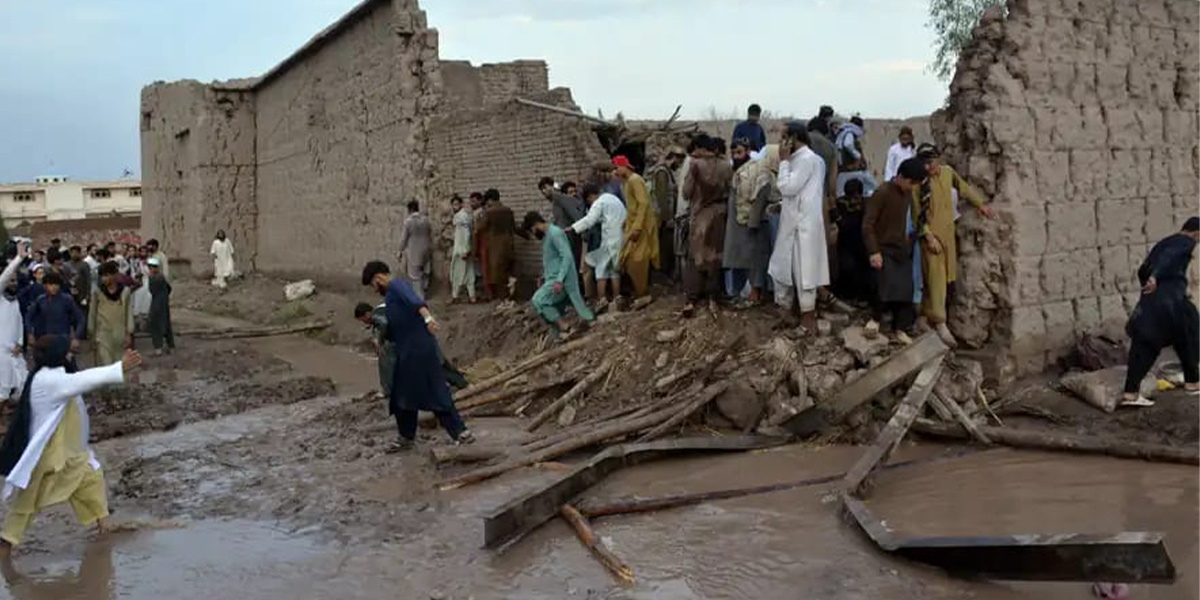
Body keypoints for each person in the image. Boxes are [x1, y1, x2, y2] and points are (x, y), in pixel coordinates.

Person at [0, 336, 141, 555]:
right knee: (26, 504)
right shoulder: (50, 381)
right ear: (57, 355)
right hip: (46, 456)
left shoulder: (50, 375)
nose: (71, 353)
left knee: (91, 478)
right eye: (67, 351)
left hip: (67, 451)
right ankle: (5, 545)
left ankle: (104, 526)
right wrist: (119, 368)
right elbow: (84, 380)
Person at [361, 261, 474, 450]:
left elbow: (415, 301)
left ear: (378, 278)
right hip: (408, 352)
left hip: (419, 351)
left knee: (435, 391)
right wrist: (382, 339)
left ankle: (461, 432)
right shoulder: (390, 296)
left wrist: (428, 317)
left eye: (373, 284)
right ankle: (406, 437)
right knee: (401, 396)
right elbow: (397, 323)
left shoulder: (397, 286)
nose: (374, 289)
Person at [912, 144, 994, 347]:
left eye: (931, 161)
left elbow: (963, 188)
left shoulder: (948, 173)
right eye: (925, 163)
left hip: (948, 236)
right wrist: (929, 237)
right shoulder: (918, 184)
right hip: (931, 240)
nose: (929, 166)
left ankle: (923, 318)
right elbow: (917, 215)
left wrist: (980, 204)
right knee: (935, 279)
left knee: (941, 279)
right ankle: (940, 322)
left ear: (938, 159)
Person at [1120, 218, 1200, 407]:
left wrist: (1149, 281)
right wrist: (1156, 276)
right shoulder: (1185, 242)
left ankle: (1131, 394)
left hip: (1154, 304)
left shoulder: (1164, 242)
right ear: (1196, 232)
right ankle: (1192, 383)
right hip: (1170, 303)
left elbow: (1142, 270)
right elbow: (1170, 257)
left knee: (1149, 344)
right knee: (1188, 333)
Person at [768, 122, 830, 331]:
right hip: (793, 224)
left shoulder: (806, 160)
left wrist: (784, 162)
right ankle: (785, 313)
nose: (780, 142)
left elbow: (788, 187)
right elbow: (800, 193)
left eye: (784, 137)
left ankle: (807, 322)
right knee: (780, 269)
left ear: (793, 138)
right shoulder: (804, 160)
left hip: (802, 227)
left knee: (805, 274)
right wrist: (780, 207)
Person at [864, 158, 927, 341]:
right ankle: (875, 320)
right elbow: (867, 225)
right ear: (900, 177)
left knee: (905, 292)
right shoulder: (882, 192)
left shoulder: (907, 194)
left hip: (900, 248)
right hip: (883, 248)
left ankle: (900, 329)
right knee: (883, 288)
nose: (913, 187)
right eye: (911, 182)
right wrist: (873, 251)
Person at [681, 135, 733, 317]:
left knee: (695, 258)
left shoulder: (695, 165)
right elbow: (730, 189)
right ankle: (713, 298)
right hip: (720, 214)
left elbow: (686, 193)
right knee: (715, 257)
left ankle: (691, 300)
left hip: (700, 216)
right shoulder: (727, 166)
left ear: (702, 148)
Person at [522, 212, 594, 340]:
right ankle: (560, 335)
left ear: (535, 225)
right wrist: (544, 276)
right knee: (546, 306)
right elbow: (552, 260)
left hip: (562, 279)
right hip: (553, 278)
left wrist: (559, 280)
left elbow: (566, 257)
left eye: (532, 231)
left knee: (538, 300)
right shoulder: (548, 236)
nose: (534, 234)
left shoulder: (555, 233)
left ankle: (565, 327)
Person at [722, 139, 773, 305]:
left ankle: (756, 292)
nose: (736, 156)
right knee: (738, 258)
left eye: (739, 152)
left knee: (755, 258)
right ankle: (737, 292)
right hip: (736, 223)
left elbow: (762, 194)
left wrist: (753, 221)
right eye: (733, 153)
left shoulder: (758, 169)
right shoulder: (734, 171)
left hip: (751, 223)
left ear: (748, 151)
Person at [570, 184, 626, 310]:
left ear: (590, 197)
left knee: (600, 269)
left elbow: (590, 220)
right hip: (620, 237)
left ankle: (602, 300)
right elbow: (605, 218)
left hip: (609, 239)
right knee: (614, 269)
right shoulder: (612, 199)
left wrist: (573, 228)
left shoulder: (598, 203)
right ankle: (617, 298)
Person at [613, 155, 659, 299]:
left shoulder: (635, 180)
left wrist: (637, 227)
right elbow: (633, 206)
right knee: (628, 259)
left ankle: (643, 292)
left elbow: (643, 204)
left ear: (623, 166)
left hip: (641, 226)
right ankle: (640, 291)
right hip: (633, 224)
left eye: (616, 168)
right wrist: (628, 220)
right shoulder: (627, 182)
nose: (615, 172)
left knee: (637, 259)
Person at [832, 178, 874, 303]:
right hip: (846, 243)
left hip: (861, 243)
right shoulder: (841, 204)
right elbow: (842, 224)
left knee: (863, 271)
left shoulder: (866, 205)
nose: (852, 200)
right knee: (847, 269)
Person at [646, 147, 685, 279]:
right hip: (662, 218)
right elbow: (662, 197)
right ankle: (661, 274)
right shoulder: (662, 172)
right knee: (664, 246)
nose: (678, 165)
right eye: (678, 162)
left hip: (665, 216)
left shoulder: (667, 172)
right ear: (673, 158)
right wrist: (667, 218)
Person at [87, 262, 133, 367]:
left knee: (119, 367)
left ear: (115, 275)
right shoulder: (97, 292)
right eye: (102, 276)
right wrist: (91, 333)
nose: (104, 279)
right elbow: (92, 314)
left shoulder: (125, 292)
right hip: (102, 335)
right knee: (105, 365)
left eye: (107, 275)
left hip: (119, 334)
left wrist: (129, 333)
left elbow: (128, 313)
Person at [25, 272, 82, 353]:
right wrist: (30, 334)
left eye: (57, 284)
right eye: (51, 284)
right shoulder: (40, 300)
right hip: (44, 342)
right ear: (44, 286)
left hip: (63, 342)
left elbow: (80, 318)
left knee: (69, 364)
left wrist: (76, 337)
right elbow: (28, 317)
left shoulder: (67, 300)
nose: (54, 287)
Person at [0, 243, 28, 400]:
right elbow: (4, 276)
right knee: (2, 391)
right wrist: (19, 258)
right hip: (1, 353)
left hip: (15, 351)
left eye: (15, 280)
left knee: (21, 386)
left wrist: (19, 342)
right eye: (10, 281)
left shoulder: (15, 301)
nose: (13, 283)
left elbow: (19, 324)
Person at [477, 189, 516, 301]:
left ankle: (501, 299)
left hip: (495, 247)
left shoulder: (489, 213)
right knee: (508, 272)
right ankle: (510, 297)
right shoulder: (508, 211)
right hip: (509, 244)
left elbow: (479, 227)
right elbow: (513, 228)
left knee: (497, 275)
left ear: (490, 200)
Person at [398, 201, 433, 299]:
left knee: (415, 274)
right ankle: (425, 291)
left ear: (409, 209)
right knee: (426, 271)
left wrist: (400, 251)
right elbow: (430, 233)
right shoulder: (426, 220)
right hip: (427, 248)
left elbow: (404, 239)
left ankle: (420, 296)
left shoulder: (408, 221)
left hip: (414, 250)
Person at [448, 196, 477, 303]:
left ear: (461, 204)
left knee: (456, 274)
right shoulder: (464, 216)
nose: (454, 207)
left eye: (456, 204)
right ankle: (472, 297)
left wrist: (465, 250)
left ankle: (455, 296)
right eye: (453, 204)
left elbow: (466, 235)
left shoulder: (461, 218)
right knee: (469, 273)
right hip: (464, 250)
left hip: (461, 251)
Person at [146, 257, 174, 356]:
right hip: (163, 304)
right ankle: (171, 346)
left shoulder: (155, 278)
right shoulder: (161, 277)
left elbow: (152, 291)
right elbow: (169, 289)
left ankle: (158, 348)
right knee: (166, 324)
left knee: (155, 325)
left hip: (157, 305)